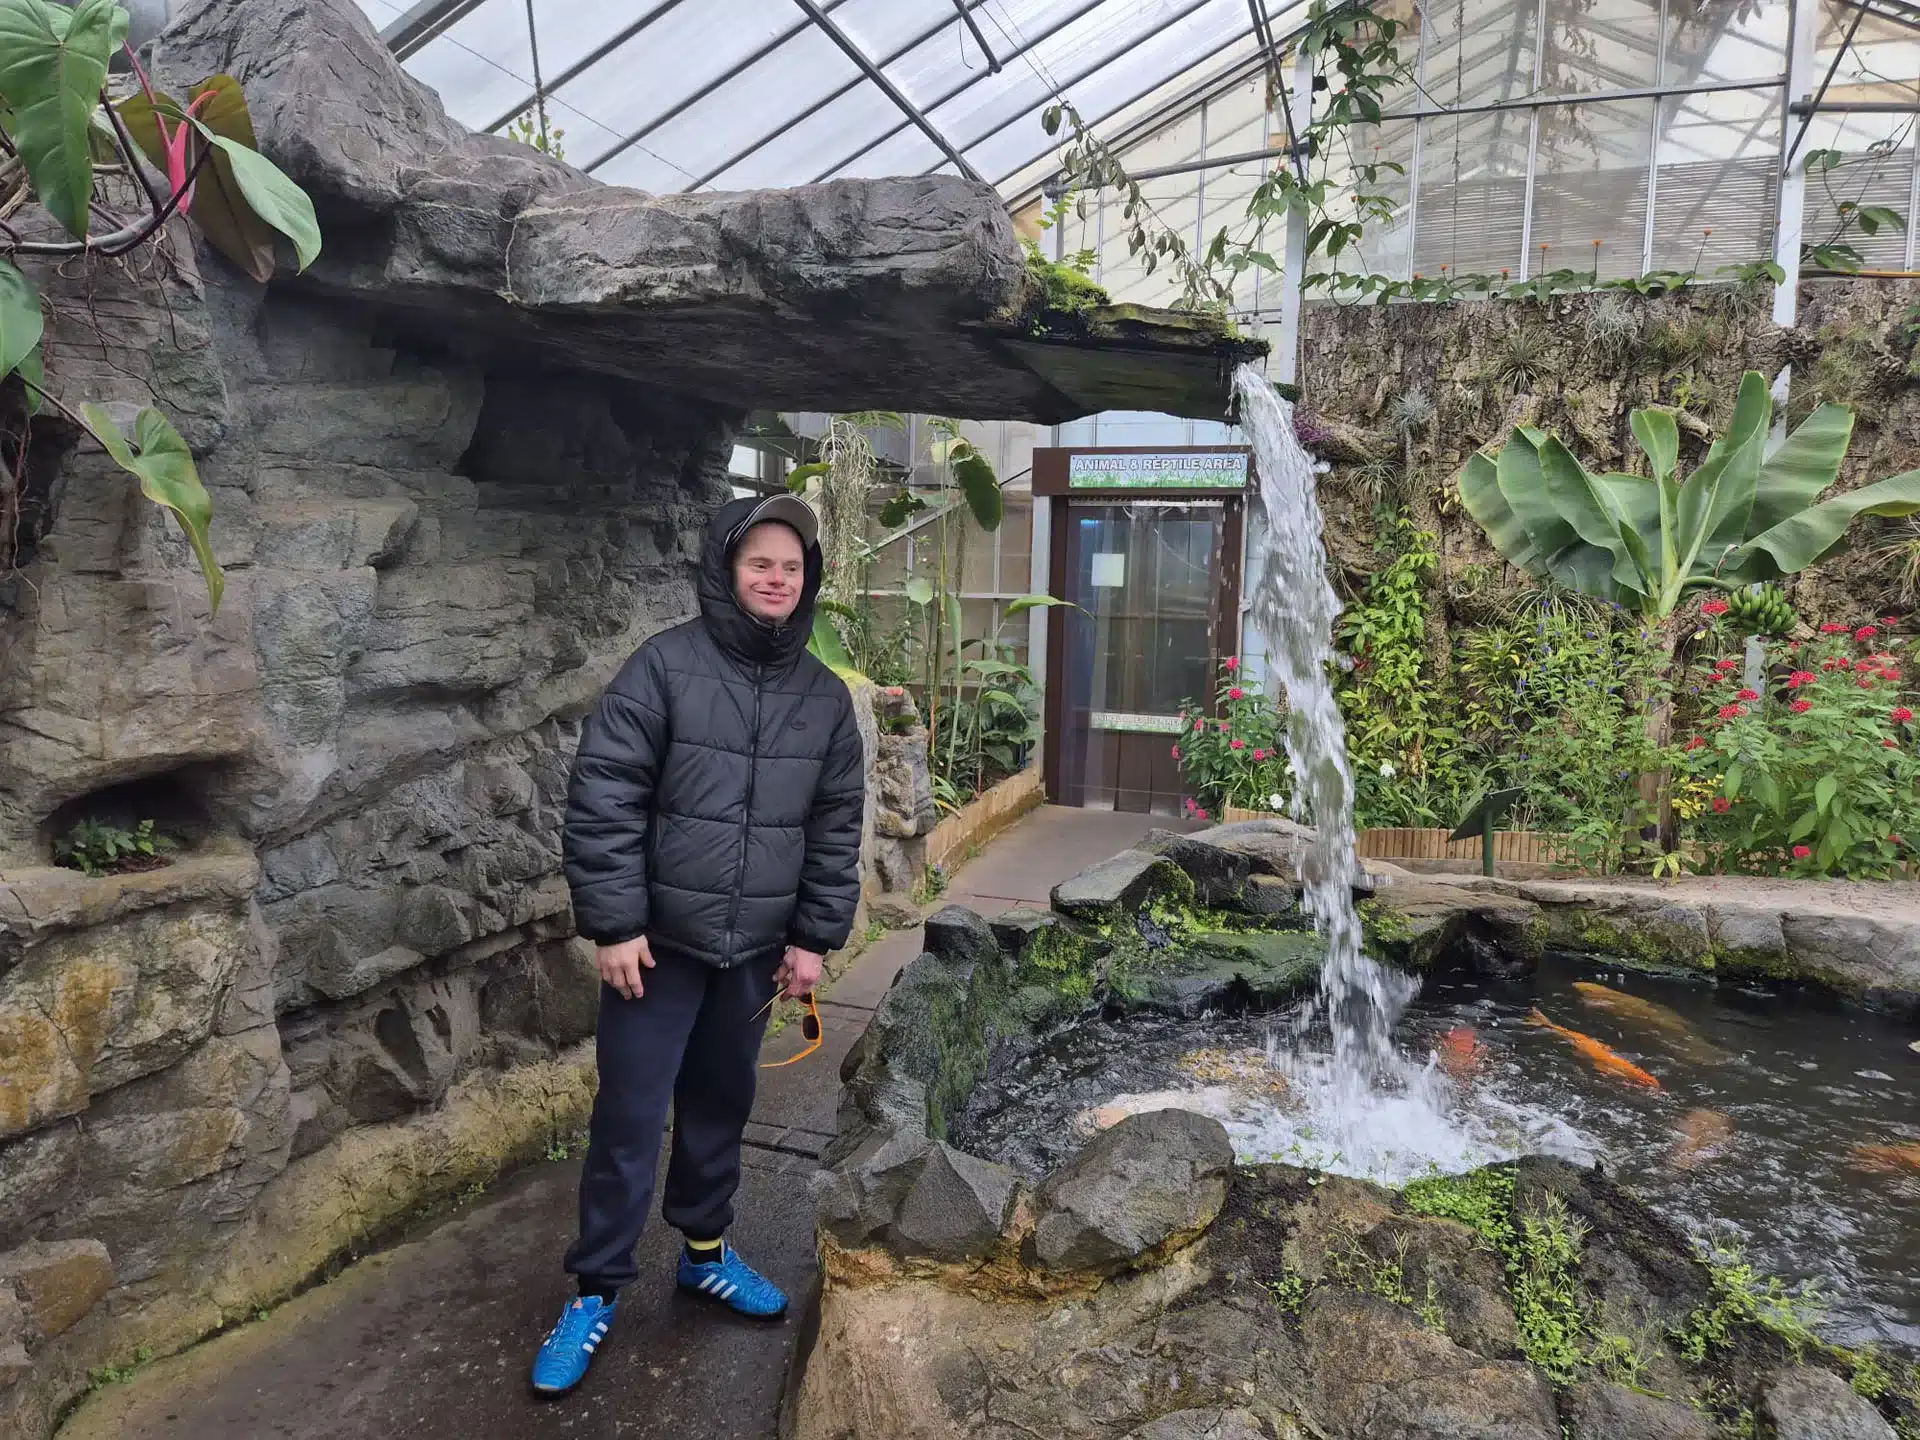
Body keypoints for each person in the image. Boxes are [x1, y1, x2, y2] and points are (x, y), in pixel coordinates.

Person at [530, 493, 865, 1397]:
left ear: (807, 580)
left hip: (754, 955)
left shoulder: (824, 699)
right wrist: (614, 923)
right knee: (630, 1120)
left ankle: (705, 1253)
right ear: (727, 569)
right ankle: (596, 1289)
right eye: (760, 563)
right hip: (658, 951)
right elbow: (605, 794)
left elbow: (835, 827)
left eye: (791, 567)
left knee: (720, 1106)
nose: (776, 579)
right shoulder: (664, 667)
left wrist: (812, 940)